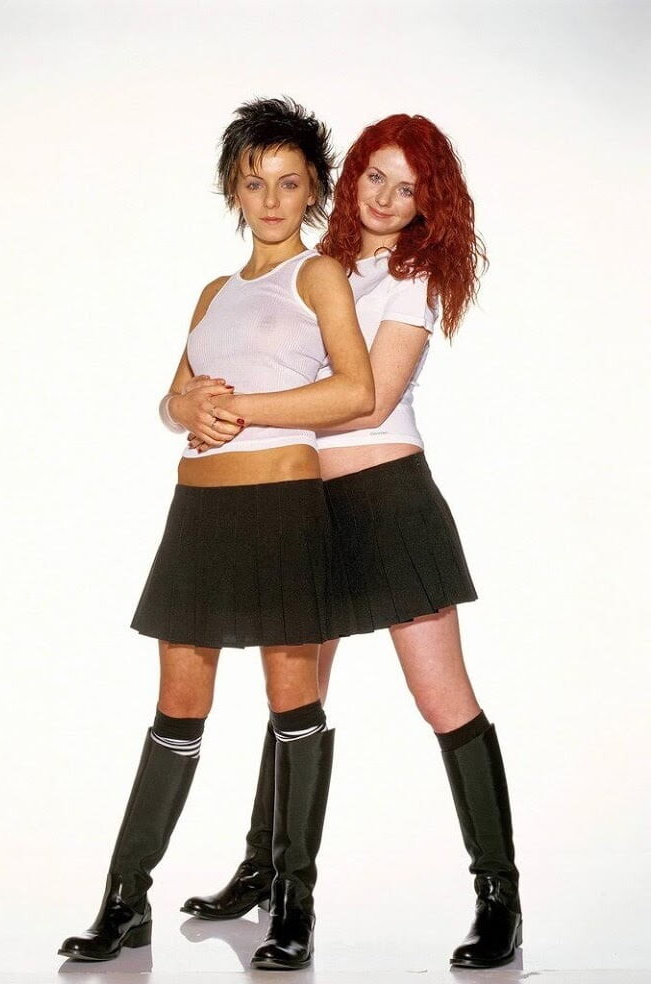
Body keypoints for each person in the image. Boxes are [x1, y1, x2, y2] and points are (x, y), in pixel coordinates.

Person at [182, 114, 522, 971]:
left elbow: (367, 400)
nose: (387, 198)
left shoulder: (411, 280)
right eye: (376, 176)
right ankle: (265, 870)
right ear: (352, 175)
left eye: (409, 189)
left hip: (388, 501)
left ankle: (499, 898)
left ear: (428, 205)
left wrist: (241, 412)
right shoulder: (314, 270)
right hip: (306, 502)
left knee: (443, 698)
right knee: (296, 699)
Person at [57, 96, 374, 971]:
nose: (271, 199)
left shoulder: (318, 276)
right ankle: (126, 902)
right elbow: (174, 401)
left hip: (280, 506)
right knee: (177, 703)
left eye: (288, 183)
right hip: (197, 512)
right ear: (233, 190)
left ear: (312, 191)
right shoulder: (214, 293)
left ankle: (294, 903)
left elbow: (354, 392)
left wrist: (242, 410)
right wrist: (184, 407)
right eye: (254, 182)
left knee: (292, 698)